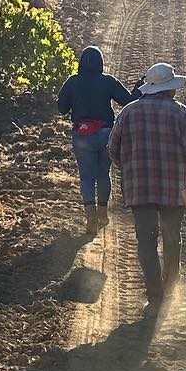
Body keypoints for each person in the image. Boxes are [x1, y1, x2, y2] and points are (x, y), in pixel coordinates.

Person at [108, 62, 186, 314]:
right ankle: (170, 289)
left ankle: (154, 300)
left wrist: (131, 168)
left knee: (146, 243)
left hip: (140, 189)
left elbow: (112, 149)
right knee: (172, 238)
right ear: (171, 89)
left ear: (149, 88)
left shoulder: (128, 112)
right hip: (174, 190)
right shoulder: (181, 114)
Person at [55, 46, 133, 236]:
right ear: (101, 63)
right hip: (106, 132)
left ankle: (89, 213)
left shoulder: (73, 82)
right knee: (103, 173)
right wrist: (140, 86)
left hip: (82, 134)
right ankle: (102, 212)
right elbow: (128, 100)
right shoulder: (108, 81)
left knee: (86, 176)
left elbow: (62, 108)